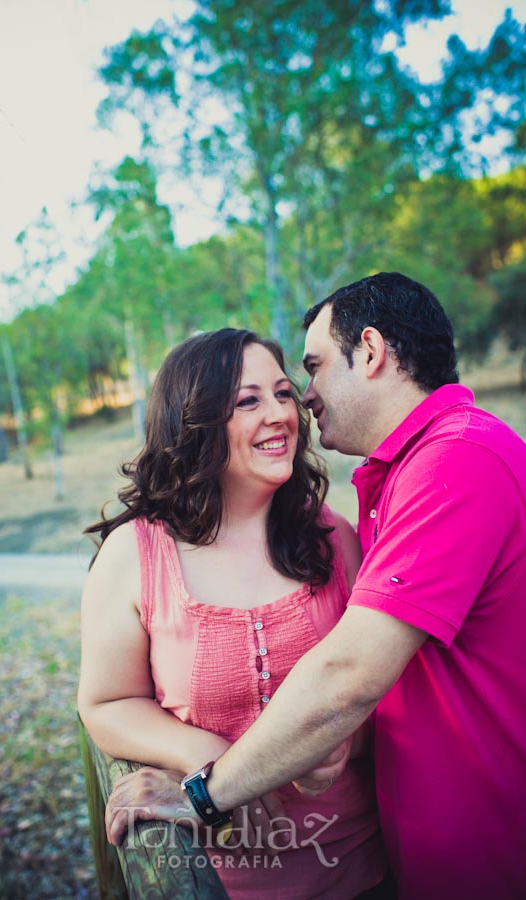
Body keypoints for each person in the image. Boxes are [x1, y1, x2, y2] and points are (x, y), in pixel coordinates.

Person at [106, 274, 526, 900]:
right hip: (427, 853)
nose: (301, 400)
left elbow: (349, 673)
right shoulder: (405, 476)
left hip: (485, 854)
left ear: (372, 351)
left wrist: (208, 791)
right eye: (254, 398)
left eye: (311, 369)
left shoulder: (458, 461)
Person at [78, 327, 391, 899]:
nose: (279, 414)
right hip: (214, 881)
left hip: (361, 869)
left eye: (282, 393)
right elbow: (107, 702)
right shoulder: (136, 554)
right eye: (248, 401)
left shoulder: (335, 539)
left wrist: (340, 742)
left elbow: (384, 689)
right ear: (193, 424)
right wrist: (212, 759)